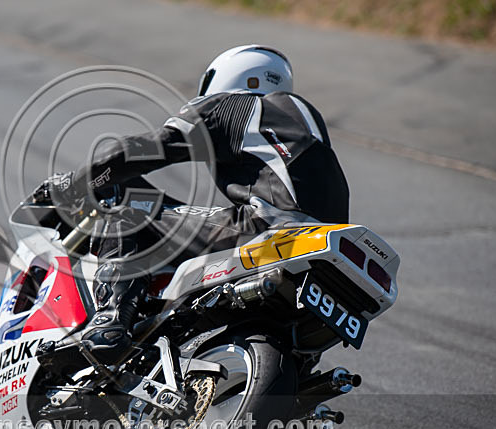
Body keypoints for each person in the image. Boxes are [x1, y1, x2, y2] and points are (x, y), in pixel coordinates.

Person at [36, 45, 350, 366]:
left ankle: (110, 323)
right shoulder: (301, 117)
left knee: (130, 209)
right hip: (323, 243)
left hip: (270, 226)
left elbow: (144, 150)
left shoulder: (231, 103)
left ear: (223, 76)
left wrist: (74, 182)